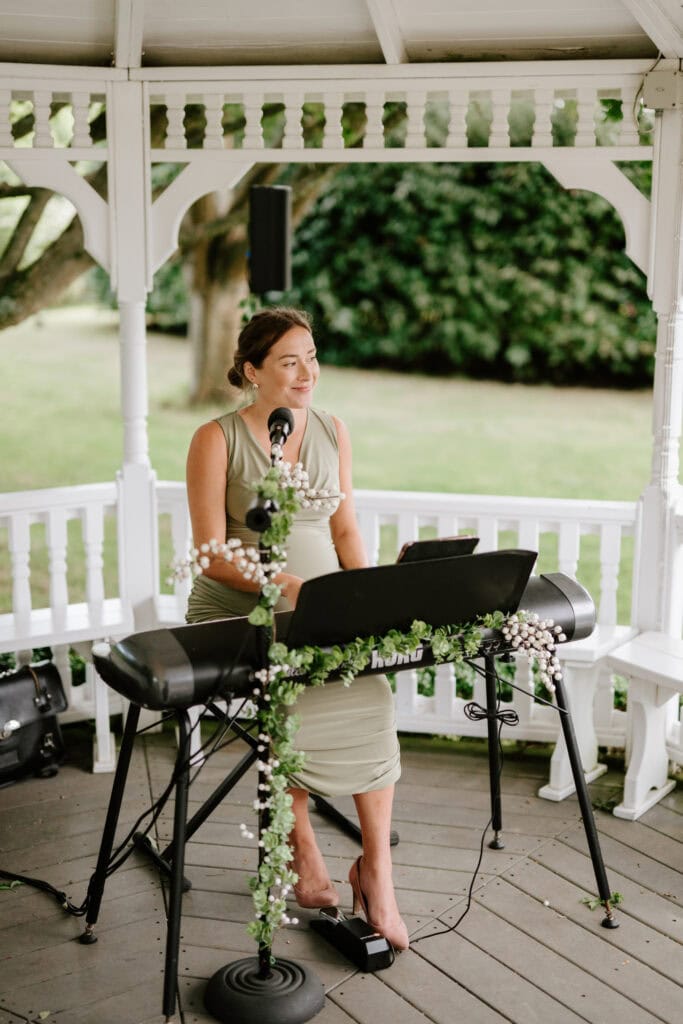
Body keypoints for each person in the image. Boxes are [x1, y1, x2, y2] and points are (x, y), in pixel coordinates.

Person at [185, 306, 408, 951]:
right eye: (289, 361)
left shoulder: (333, 430)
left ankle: (377, 872)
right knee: (296, 683)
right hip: (241, 605)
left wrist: (368, 598)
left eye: (312, 357)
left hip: (325, 607)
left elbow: (343, 530)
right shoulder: (216, 438)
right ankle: (301, 845)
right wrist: (287, 589)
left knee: (367, 685)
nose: (308, 372)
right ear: (252, 371)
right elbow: (212, 553)